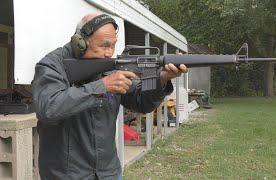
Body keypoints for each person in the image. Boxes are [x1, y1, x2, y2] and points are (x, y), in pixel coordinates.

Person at [32, 13, 187, 180]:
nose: (109, 53)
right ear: (80, 43)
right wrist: (102, 86)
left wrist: (161, 79)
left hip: (108, 173)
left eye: (113, 45)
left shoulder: (109, 65)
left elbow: (141, 102)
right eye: (105, 45)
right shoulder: (52, 65)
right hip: (66, 175)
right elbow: (48, 107)